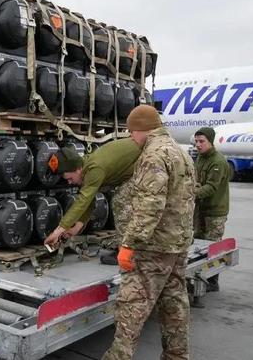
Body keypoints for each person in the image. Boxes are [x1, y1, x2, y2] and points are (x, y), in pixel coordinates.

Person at [102, 105, 196, 360]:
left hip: (153, 247)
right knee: (174, 303)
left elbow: (150, 205)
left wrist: (129, 243)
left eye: (131, 133)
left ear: (140, 130)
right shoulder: (182, 152)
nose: (131, 138)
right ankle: (176, 356)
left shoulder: (154, 155)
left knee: (131, 306)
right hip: (177, 243)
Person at [43, 138, 142, 265]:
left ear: (78, 169)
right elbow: (89, 201)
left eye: (69, 178)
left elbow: (83, 201)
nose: (69, 182)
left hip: (145, 166)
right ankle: (127, 249)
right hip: (134, 171)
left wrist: (58, 231)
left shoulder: (94, 169)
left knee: (121, 203)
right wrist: (76, 228)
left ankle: (128, 253)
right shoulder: (87, 168)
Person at [193, 127, 230, 295]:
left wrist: (190, 193)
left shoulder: (218, 161)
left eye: (202, 142)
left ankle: (213, 281)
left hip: (215, 212)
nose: (198, 145)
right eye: (196, 141)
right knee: (199, 245)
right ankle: (200, 278)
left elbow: (211, 187)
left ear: (210, 142)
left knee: (213, 247)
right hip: (201, 209)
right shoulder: (201, 158)